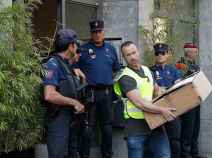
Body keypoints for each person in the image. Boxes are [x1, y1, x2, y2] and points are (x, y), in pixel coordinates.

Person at [114, 41, 176, 158]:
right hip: (136, 127)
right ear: (124, 57)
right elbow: (139, 103)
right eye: (128, 55)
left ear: (138, 52)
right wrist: (162, 110)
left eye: (134, 52)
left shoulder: (147, 70)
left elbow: (156, 90)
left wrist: (173, 94)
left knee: (164, 155)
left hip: (155, 123)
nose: (132, 57)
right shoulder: (125, 77)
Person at [74, 19, 121, 158]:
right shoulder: (82, 49)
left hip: (106, 93)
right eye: (94, 32)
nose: (97, 34)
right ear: (91, 33)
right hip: (90, 93)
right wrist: (76, 70)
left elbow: (117, 70)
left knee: (107, 129)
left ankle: (107, 155)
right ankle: (84, 155)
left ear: (103, 32)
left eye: (99, 32)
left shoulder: (111, 49)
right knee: (87, 129)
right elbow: (73, 66)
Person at [43, 29, 85, 158]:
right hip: (58, 119)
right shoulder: (53, 64)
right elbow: (49, 94)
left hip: (70, 120)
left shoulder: (66, 65)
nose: (77, 48)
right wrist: (74, 102)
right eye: (76, 45)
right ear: (71, 46)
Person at [150, 43, 182, 158]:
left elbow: (178, 87)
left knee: (175, 142)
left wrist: (164, 89)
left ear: (167, 54)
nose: (160, 55)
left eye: (162, 53)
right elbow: (151, 91)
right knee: (156, 143)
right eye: (157, 53)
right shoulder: (149, 71)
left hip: (172, 110)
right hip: (156, 111)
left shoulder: (173, 70)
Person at [180, 43, 205, 158]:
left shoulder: (195, 65)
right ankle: (186, 154)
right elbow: (181, 81)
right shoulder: (181, 64)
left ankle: (194, 153)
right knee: (188, 129)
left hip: (196, 99)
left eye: (196, 51)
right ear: (188, 52)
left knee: (196, 128)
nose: (196, 53)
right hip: (186, 100)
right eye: (194, 51)